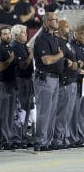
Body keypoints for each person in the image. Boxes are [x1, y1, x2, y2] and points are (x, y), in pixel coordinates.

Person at [33, 12, 65, 151]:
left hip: (54, 78)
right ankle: (40, 141)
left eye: (57, 19)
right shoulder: (42, 39)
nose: (57, 22)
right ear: (46, 22)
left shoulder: (54, 37)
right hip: (45, 78)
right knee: (44, 111)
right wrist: (59, 55)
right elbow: (47, 60)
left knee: (52, 112)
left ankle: (48, 140)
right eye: (54, 20)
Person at [52, 20, 78, 149]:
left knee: (68, 113)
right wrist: (69, 62)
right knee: (62, 112)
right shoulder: (58, 42)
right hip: (64, 81)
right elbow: (59, 60)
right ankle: (58, 139)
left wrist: (75, 64)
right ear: (61, 29)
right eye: (67, 26)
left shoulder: (68, 43)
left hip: (72, 80)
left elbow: (73, 60)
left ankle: (65, 137)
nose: (69, 28)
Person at [0, 27, 17, 149]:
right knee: (3, 114)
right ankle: (3, 141)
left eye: (9, 33)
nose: (8, 36)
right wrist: (10, 59)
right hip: (0, 85)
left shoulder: (10, 48)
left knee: (10, 114)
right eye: (5, 34)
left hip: (10, 84)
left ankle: (9, 138)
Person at [10, 24, 35, 145]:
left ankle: (23, 135)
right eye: (23, 32)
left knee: (27, 109)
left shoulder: (23, 46)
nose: (26, 34)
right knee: (20, 109)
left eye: (26, 32)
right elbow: (22, 65)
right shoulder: (16, 46)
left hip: (27, 80)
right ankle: (17, 137)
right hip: (20, 81)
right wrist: (30, 56)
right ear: (16, 35)